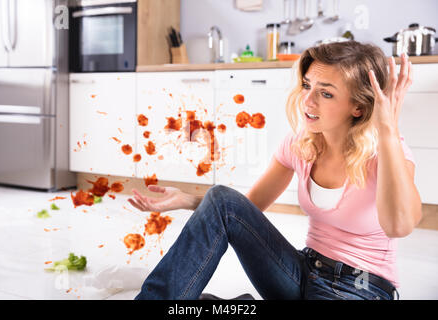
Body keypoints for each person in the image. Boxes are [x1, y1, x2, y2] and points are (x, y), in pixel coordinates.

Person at [128, 41, 422, 300]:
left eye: (326, 94)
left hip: (361, 288)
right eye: (307, 86)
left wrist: (388, 130)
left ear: (357, 107)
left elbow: (399, 226)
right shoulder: (300, 146)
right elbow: (240, 211)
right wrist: (188, 201)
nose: (308, 101)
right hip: (302, 271)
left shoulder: (388, 152)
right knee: (220, 197)